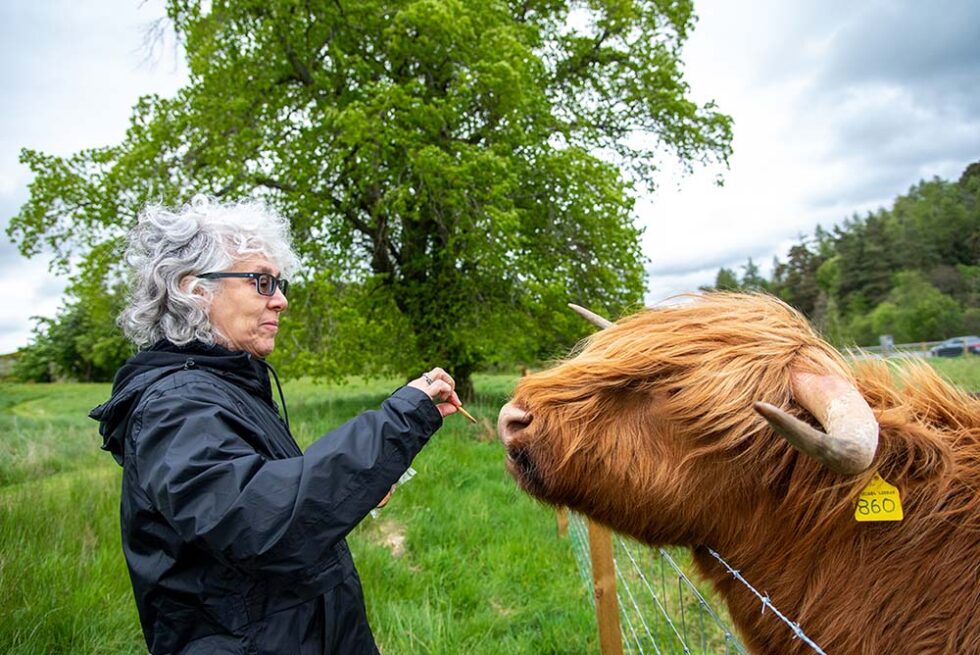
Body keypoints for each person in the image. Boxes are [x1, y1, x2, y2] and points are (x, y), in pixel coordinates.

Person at [90, 195, 460, 655]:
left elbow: (278, 494)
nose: (281, 301)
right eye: (262, 282)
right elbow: (260, 523)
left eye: (279, 283)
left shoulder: (225, 389)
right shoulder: (175, 405)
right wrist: (401, 419)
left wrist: (362, 481)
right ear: (194, 289)